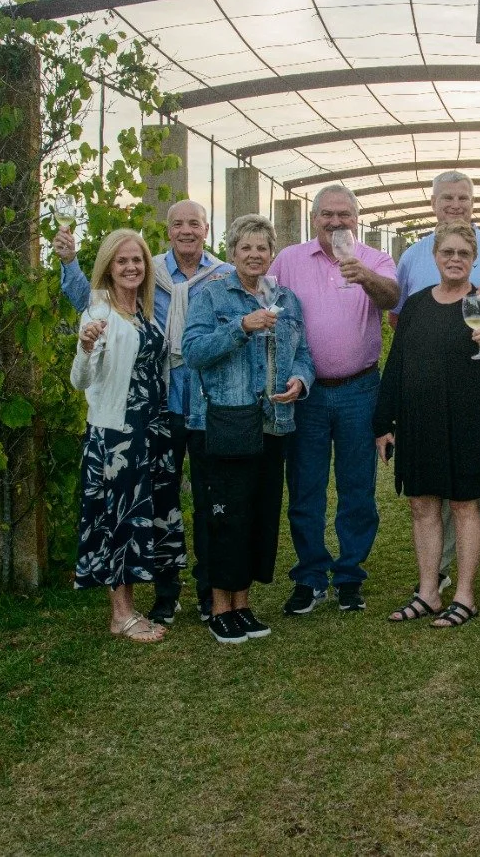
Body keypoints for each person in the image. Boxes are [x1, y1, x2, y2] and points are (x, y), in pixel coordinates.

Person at [56, 199, 232, 625]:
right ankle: (165, 596)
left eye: (194, 223)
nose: (186, 230)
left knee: (208, 503)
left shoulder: (222, 275)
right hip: (157, 413)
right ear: (167, 231)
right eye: (177, 223)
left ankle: (210, 595)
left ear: (206, 229)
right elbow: (94, 303)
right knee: (158, 504)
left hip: (204, 408)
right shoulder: (148, 273)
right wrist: (69, 262)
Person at [182, 214, 315, 645]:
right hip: (224, 422)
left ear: (271, 253)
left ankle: (243, 605)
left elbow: (304, 354)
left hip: (273, 424)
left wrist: (300, 381)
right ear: (233, 251)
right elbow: (194, 351)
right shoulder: (212, 296)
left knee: (258, 515)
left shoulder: (288, 300)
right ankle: (220, 608)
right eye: (246, 248)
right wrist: (241, 327)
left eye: (262, 248)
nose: (254, 255)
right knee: (225, 516)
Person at [394, 172, 480, 595]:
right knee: (437, 473)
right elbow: (401, 318)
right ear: (433, 202)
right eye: (447, 197)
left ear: (473, 202)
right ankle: (440, 566)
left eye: (463, 198)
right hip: (429, 385)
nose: (455, 204)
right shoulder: (414, 255)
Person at [270, 184, 400, 616]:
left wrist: (365, 277)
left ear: (356, 219)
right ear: (314, 219)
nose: (336, 222)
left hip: (359, 389)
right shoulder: (289, 260)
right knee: (305, 487)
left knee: (357, 488)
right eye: (327, 214)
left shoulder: (375, 260)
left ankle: (349, 575)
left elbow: (392, 299)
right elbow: (262, 299)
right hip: (306, 393)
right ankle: (310, 576)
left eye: (344, 214)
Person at [375, 221, 480, 629]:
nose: (454, 260)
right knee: (422, 504)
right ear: (435, 258)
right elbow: (395, 364)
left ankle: (465, 595)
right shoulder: (414, 304)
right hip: (419, 418)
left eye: (463, 254)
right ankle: (428, 592)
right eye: (447, 253)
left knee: (465, 504)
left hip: (467, 416)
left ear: (473, 260)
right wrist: (384, 421)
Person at [68, 229, 187, 642]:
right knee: (121, 519)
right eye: (122, 261)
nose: (132, 267)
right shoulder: (98, 314)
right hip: (119, 433)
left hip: (152, 430)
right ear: (108, 268)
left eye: (137, 260)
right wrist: (84, 348)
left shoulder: (144, 310)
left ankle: (137, 604)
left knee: (146, 515)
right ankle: (122, 615)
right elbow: (80, 379)